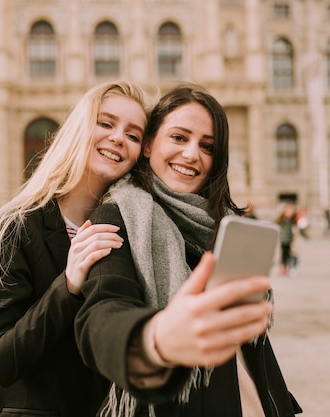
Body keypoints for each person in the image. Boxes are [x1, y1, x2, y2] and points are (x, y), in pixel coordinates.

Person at [75, 84, 301, 417]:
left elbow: (250, 340)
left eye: (207, 146)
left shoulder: (222, 222)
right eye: (179, 138)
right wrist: (155, 340)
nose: (192, 154)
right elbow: (103, 311)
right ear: (149, 145)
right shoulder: (120, 212)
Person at [0, 81, 150, 417]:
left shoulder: (134, 224)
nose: (118, 138)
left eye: (134, 135)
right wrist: (67, 286)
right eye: (106, 123)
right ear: (80, 127)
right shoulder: (16, 225)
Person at [275, 203, 299, 276]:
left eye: (291, 212)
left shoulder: (293, 221)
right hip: (283, 240)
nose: (290, 214)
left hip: (291, 240)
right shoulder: (281, 219)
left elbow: (297, 229)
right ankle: (282, 267)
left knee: (291, 255)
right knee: (283, 255)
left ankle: (290, 268)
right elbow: (275, 224)